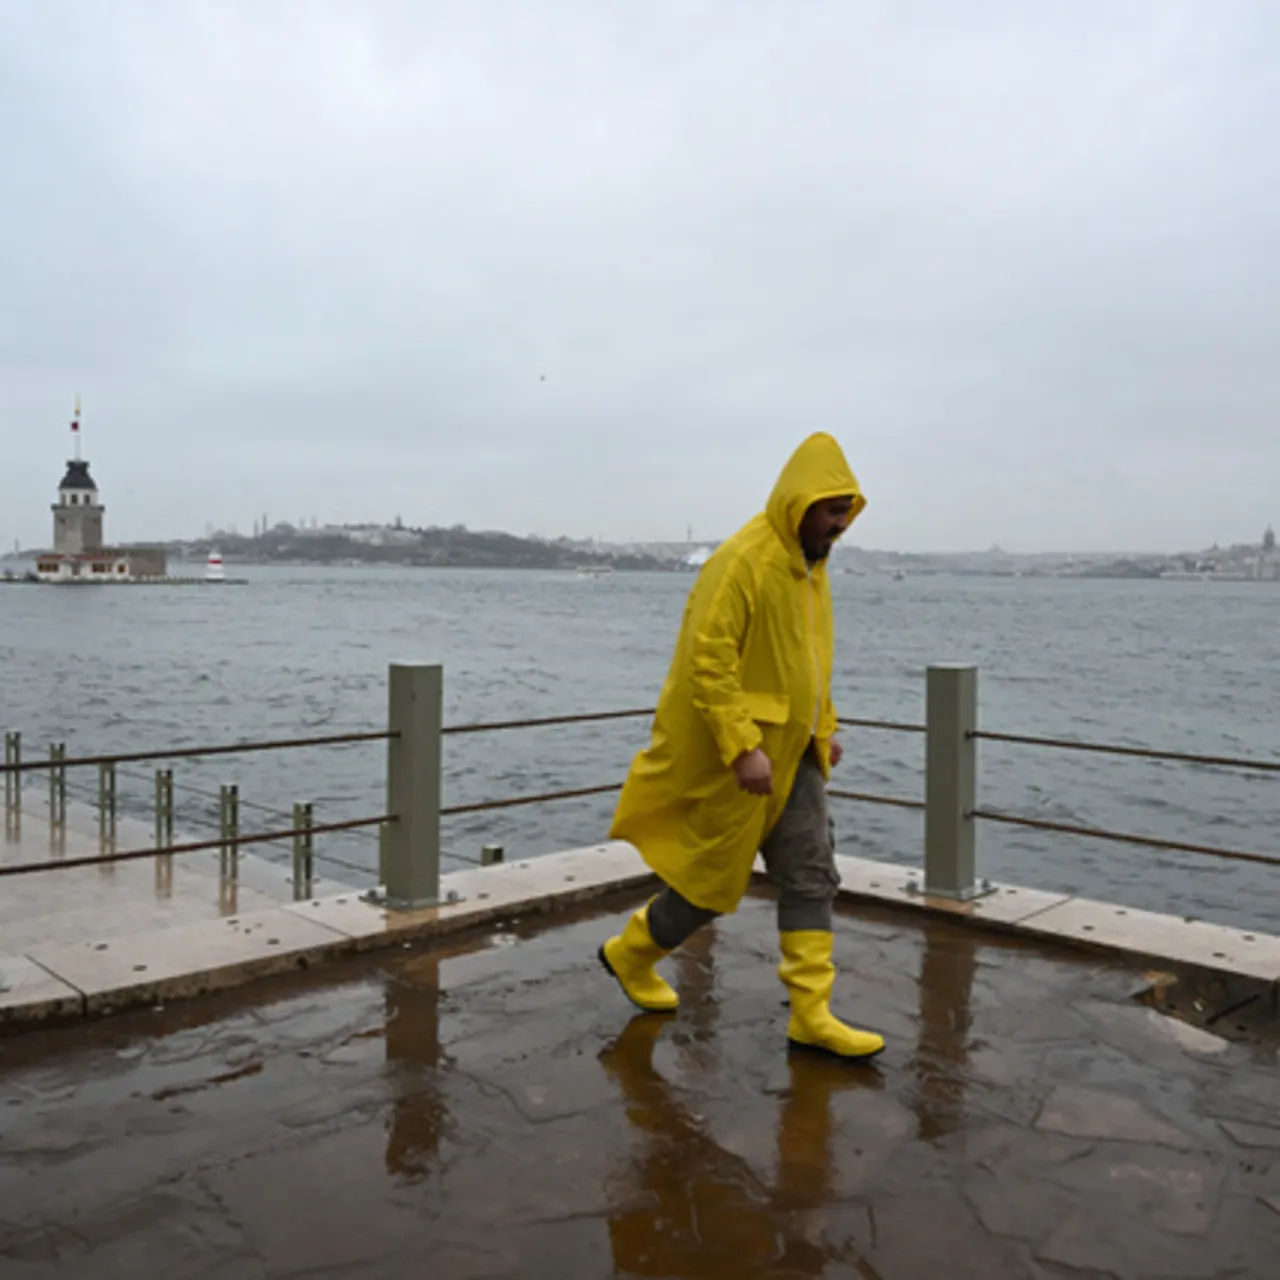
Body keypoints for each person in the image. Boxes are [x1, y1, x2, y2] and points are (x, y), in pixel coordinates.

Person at [600, 432, 884, 1060]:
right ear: (799, 503)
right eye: (831, 511)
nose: (840, 525)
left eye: (846, 513)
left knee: (812, 873)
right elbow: (709, 659)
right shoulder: (740, 561)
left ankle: (811, 1014)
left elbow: (811, 665)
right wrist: (739, 746)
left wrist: (825, 728)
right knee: (708, 885)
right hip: (746, 762)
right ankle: (631, 953)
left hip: (796, 757)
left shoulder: (814, 571)